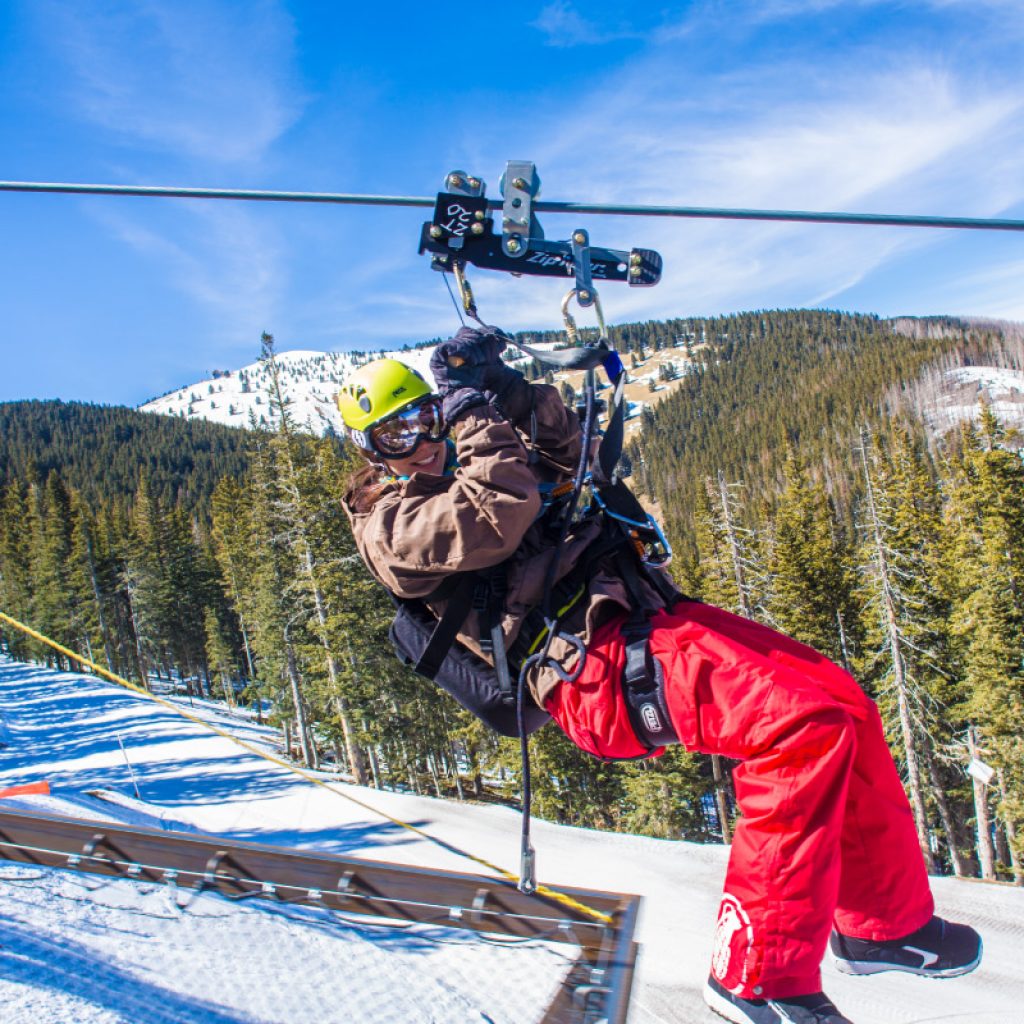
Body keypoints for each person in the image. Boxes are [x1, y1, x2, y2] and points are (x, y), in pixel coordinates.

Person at [337, 328, 982, 1024]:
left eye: (424, 418)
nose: (422, 440)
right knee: (800, 726)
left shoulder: (466, 452)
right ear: (373, 451)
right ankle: (755, 975)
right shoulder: (393, 528)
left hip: (636, 616)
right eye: (397, 434)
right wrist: (470, 413)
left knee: (841, 700)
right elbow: (499, 507)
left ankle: (883, 924)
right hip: (588, 669)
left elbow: (572, 453)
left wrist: (511, 393)